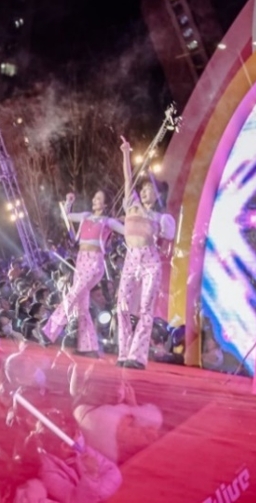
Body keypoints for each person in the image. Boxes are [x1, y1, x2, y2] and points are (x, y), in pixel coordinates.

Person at [116, 137, 176, 369]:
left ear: (157, 195)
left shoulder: (160, 218)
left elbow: (168, 240)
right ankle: (123, 353)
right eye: (143, 189)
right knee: (122, 306)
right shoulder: (131, 206)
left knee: (145, 309)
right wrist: (126, 153)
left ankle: (138, 357)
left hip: (150, 261)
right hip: (131, 259)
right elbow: (127, 179)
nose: (144, 192)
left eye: (149, 190)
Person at [43, 191, 123, 357]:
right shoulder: (86, 216)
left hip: (94, 262)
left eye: (99, 198)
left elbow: (126, 230)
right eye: (94, 197)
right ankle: (88, 347)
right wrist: (68, 202)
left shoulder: (108, 222)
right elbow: (67, 216)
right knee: (82, 306)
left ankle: (49, 331)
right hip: (81, 260)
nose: (94, 200)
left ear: (105, 204)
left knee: (73, 294)